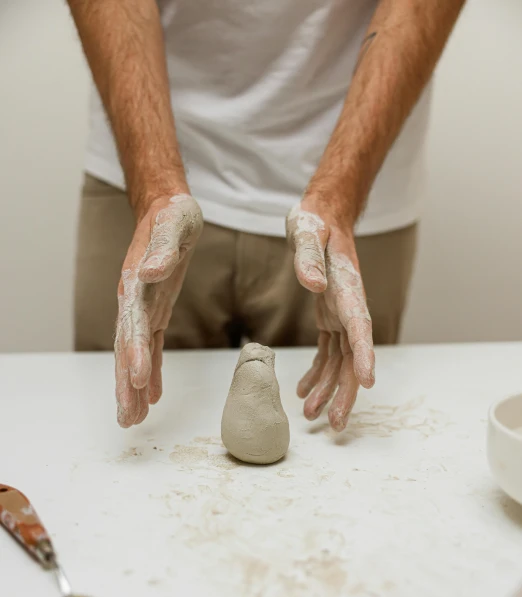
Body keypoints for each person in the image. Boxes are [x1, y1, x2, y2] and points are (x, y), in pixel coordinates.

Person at [68, 0, 465, 431]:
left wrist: (338, 199)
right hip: (143, 160)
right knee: (112, 423)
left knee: (341, 450)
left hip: (355, 170)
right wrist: (155, 190)